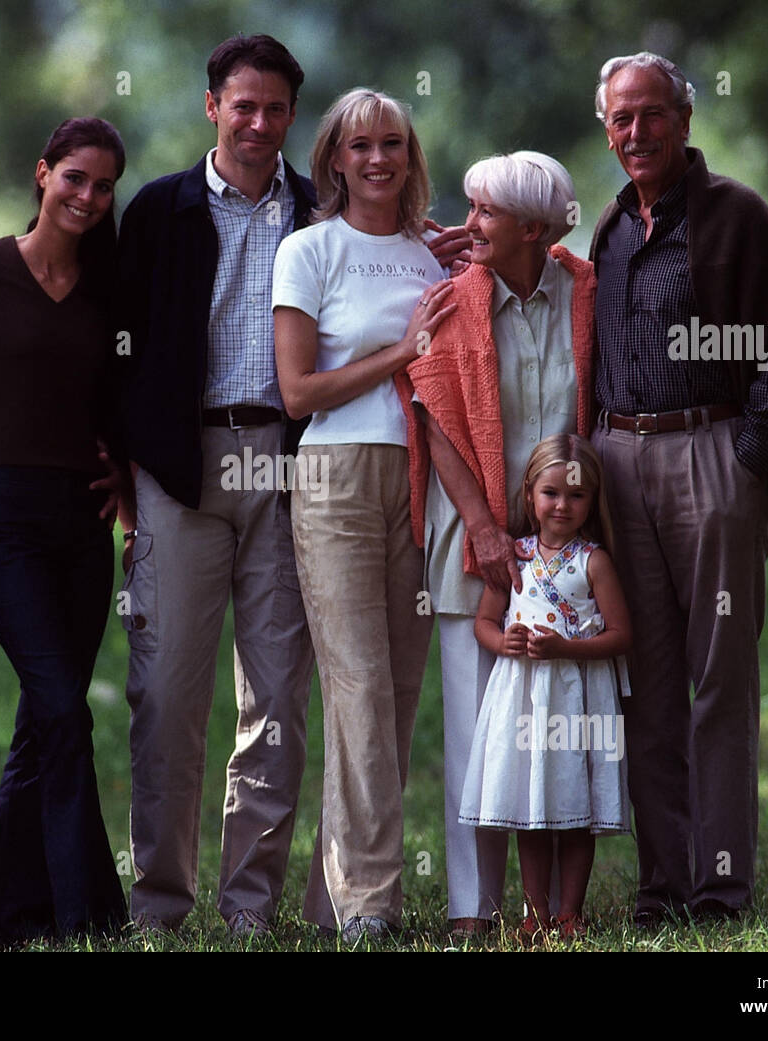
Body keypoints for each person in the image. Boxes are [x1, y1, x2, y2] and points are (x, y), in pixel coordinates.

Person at [589, 52, 768, 926]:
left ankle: (720, 889)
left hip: (709, 455)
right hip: (618, 461)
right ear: (605, 130)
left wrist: (746, 455)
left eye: (652, 115)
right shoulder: (610, 230)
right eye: (621, 120)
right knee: (644, 684)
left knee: (718, 679)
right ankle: (662, 890)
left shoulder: (736, 217)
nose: (637, 133)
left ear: (686, 120)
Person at [115, 34, 318, 937]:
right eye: (244, 105)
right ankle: (159, 902)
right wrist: (124, 471)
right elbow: (113, 346)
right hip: (180, 464)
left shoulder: (319, 212)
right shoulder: (157, 211)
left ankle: (249, 906)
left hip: (286, 462)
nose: (260, 123)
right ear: (212, 107)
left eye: (276, 108)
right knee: (165, 694)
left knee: (275, 697)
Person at [396, 151, 598, 937]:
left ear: (532, 228)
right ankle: (471, 906)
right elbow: (434, 415)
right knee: (478, 729)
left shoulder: (585, 293)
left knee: (555, 722)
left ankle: (552, 905)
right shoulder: (455, 302)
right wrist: (483, 525)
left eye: (482, 212)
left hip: (565, 548)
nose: (467, 223)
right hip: (474, 538)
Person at [272, 87, 454, 942]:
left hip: (424, 479)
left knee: (400, 692)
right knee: (358, 686)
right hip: (337, 474)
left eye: (393, 143)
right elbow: (298, 391)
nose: (378, 158)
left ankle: (333, 896)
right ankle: (374, 904)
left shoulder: (433, 257)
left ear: (409, 157)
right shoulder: (309, 251)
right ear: (334, 161)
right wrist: (401, 353)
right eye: (359, 146)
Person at [0, 118, 130, 946]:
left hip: (81, 522)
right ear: (42, 174)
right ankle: (83, 912)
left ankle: (8, 922)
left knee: (43, 716)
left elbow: (132, 391)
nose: (88, 197)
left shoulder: (108, 287)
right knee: (61, 706)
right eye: (75, 179)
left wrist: (125, 469)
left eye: (103, 186)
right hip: (0, 518)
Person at [458, 434, 632, 944]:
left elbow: (622, 635)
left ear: (592, 500)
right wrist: (504, 641)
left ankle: (570, 912)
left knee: (574, 806)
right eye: (551, 493)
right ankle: (534, 913)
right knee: (532, 811)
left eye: (576, 495)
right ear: (530, 493)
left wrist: (567, 649)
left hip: (578, 698)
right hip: (525, 697)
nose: (562, 505)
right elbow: (484, 622)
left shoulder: (593, 561)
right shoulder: (514, 557)